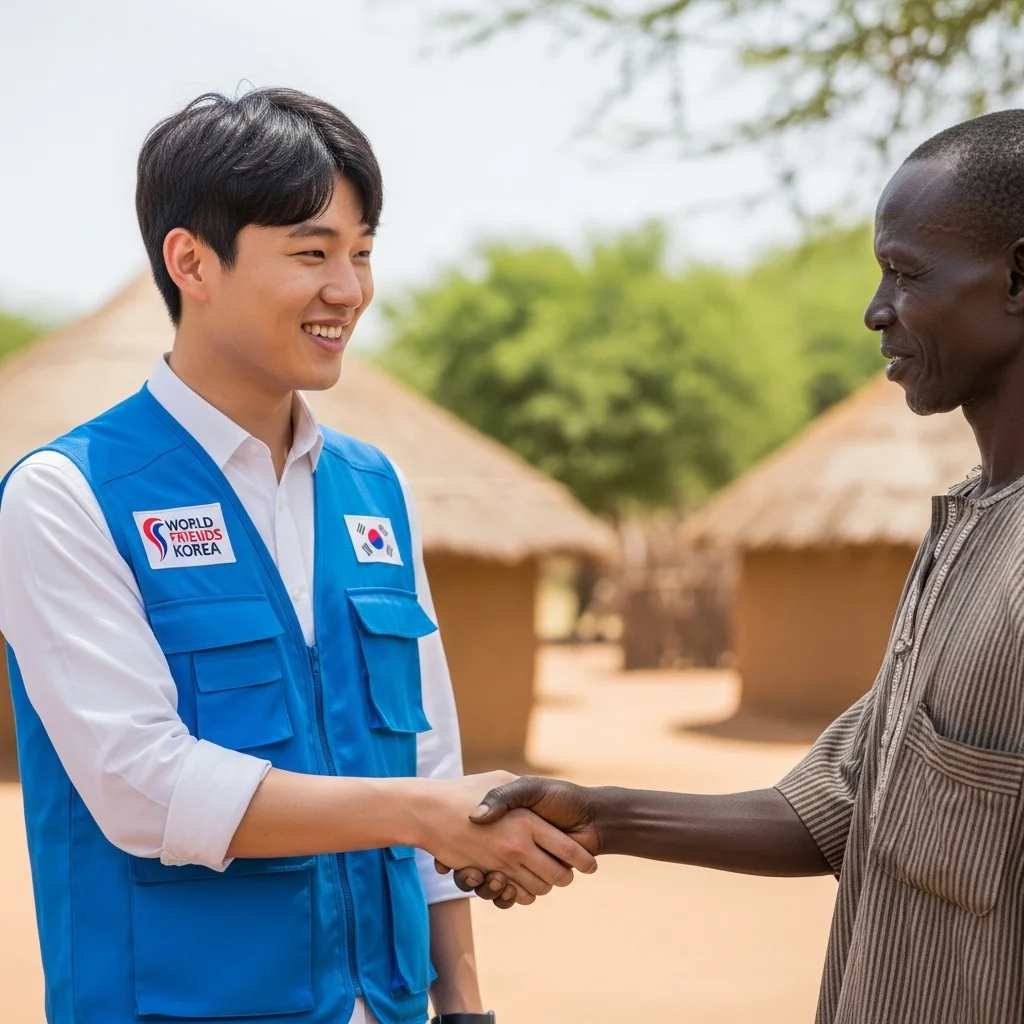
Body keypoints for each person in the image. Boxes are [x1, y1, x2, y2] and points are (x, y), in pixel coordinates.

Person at [0, 88, 597, 1024]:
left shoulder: (375, 489)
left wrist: (465, 1004)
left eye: (363, 254)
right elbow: (143, 789)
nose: (349, 290)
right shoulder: (66, 495)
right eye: (312, 253)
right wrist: (415, 812)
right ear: (190, 261)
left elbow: (432, 761)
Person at [445, 109, 1024, 1023]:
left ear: (1018, 279)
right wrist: (604, 814)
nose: (876, 311)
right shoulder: (964, 529)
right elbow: (834, 805)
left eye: (906, 275)